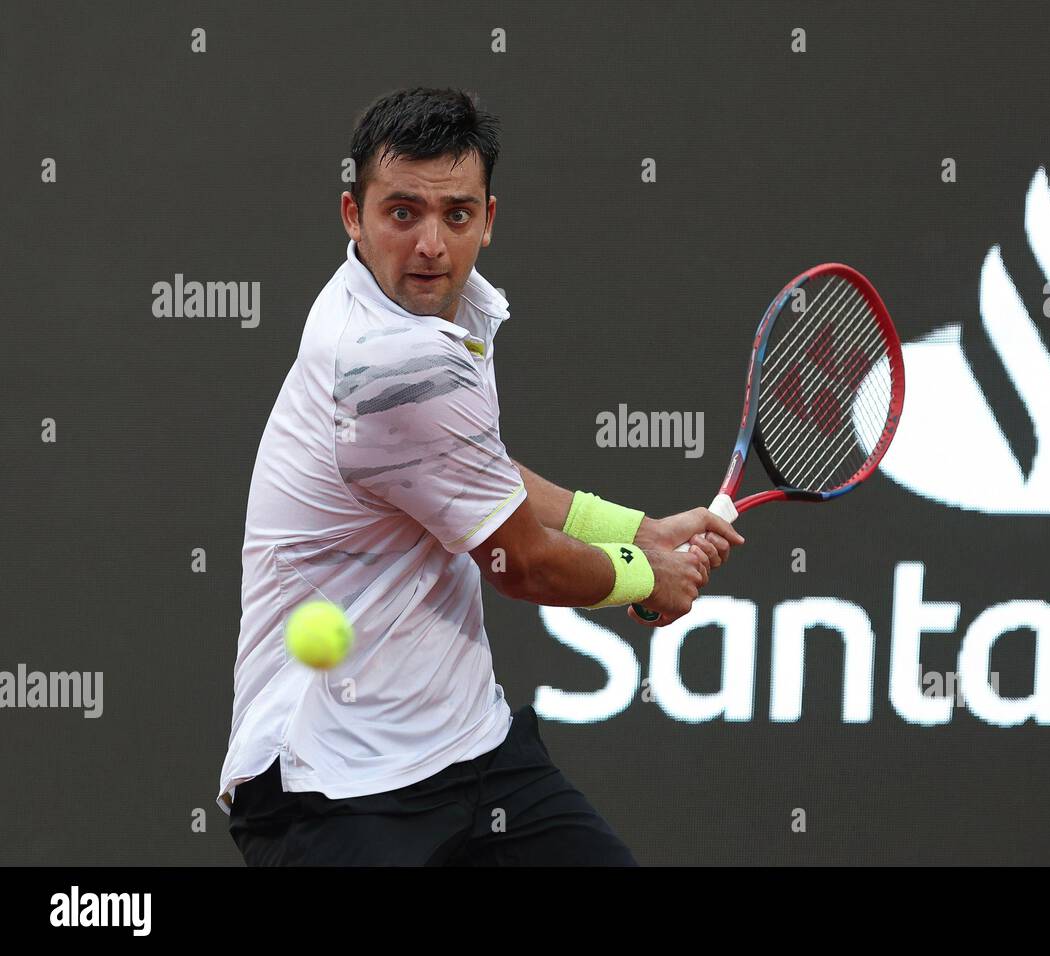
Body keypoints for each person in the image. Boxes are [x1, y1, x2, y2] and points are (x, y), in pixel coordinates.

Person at [216, 87, 743, 866]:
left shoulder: (438, 310)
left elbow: (473, 469)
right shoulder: (386, 361)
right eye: (402, 213)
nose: (430, 244)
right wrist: (647, 575)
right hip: (333, 788)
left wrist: (634, 529)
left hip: (470, 751)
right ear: (353, 216)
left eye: (456, 215)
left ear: (488, 219)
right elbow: (519, 563)